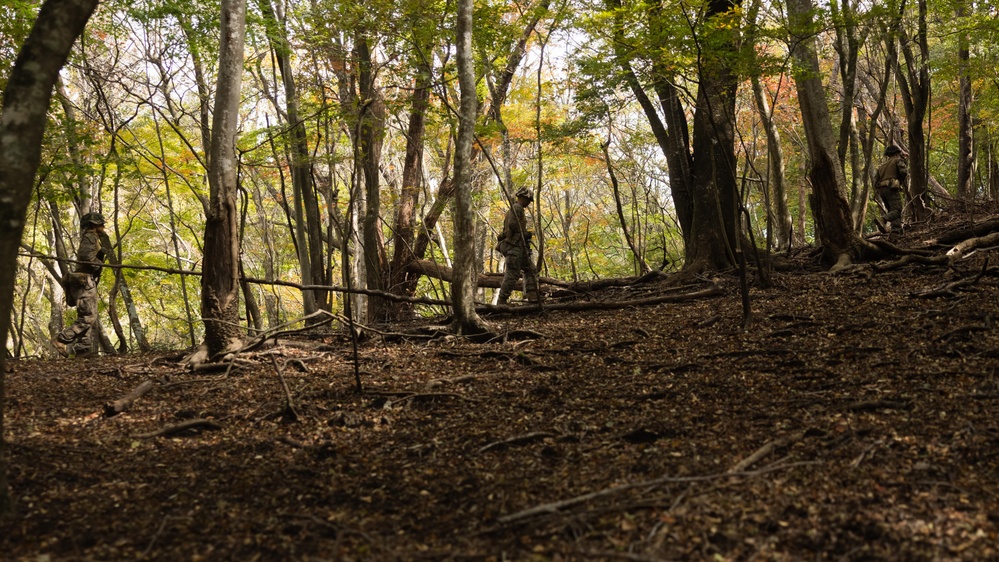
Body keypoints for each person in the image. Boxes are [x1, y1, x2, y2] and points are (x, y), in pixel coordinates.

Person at [53, 212, 110, 358]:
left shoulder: (93, 237)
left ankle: (83, 352)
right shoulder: (90, 236)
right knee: (89, 316)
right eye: (101, 224)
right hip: (84, 280)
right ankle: (61, 339)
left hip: (86, 280)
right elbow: (86, 257)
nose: (103, 226)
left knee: (88, 316)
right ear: (94, 224)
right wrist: (99, 263)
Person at [495, 187, 541, 305]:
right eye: (528, 200)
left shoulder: (517, 209)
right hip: (513, 247)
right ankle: (502, 301)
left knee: (531, 270)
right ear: (523, 197)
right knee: (512, 273)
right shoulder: (517, 208)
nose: (528, 203)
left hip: (519, 248)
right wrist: (525, 234)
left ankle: (533, 296)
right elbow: (513, 225)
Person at [874, 144, 908, 234]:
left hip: (882, 190)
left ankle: (896, 231)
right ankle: (883, 219)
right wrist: (899, 181)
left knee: (892, 211)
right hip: (891, 188)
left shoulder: (881, 166)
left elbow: (875, 181)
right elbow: (904, 172)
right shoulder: (898, 160)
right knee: (897, 210)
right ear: (896, 153)